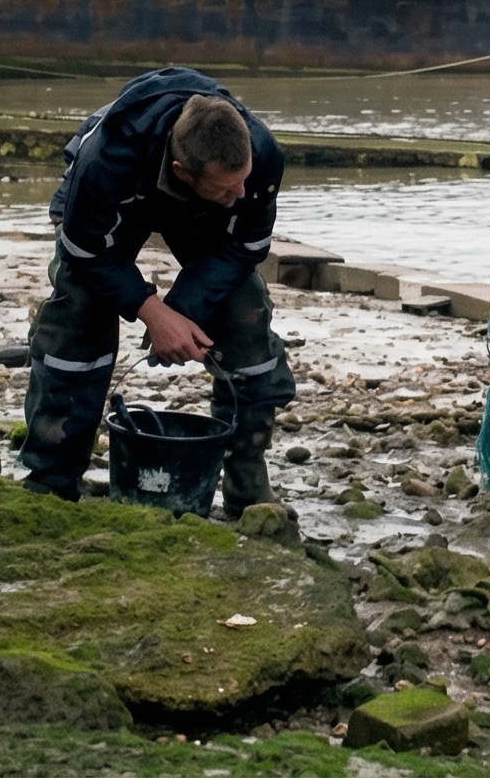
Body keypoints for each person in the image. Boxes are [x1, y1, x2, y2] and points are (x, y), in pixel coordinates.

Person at [19, 67, 294, 516]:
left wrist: (182, 310)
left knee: (245, 312)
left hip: (202, 215)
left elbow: (244, 245)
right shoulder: (107, 159)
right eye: (229, 187)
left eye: (243, 180)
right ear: (183, 171)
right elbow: (84, 247)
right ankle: (50, 477)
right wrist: (152, 313)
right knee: (79, 312)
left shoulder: (260, 156)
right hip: (120, 197)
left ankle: (246, 483)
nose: (242, 192)